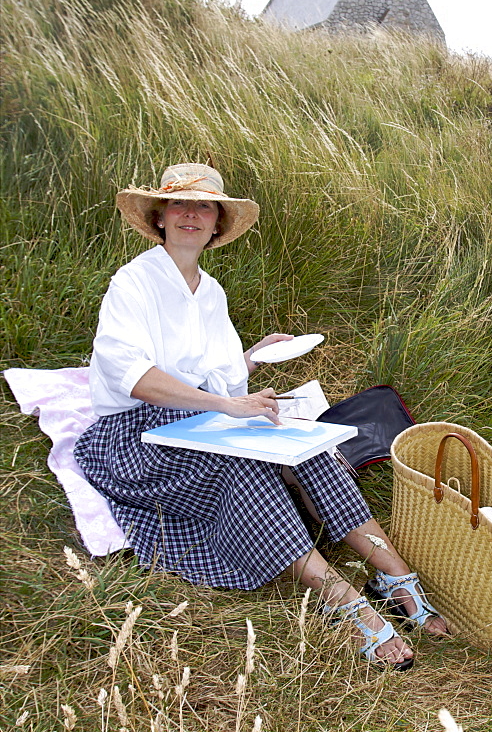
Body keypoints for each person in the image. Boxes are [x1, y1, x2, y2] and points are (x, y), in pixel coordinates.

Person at [74, 163, 449, 669]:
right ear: (160, 216)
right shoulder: (133, 282)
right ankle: (341, 598)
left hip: (193, 420)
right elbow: (136, 377)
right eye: (180, 204)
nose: (192, 214)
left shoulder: (210, 292)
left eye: (204, 206)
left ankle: (393, 574)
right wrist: (224, 406)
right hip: (133, 437)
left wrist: (251, 360)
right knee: (244, 463)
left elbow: (220, 375)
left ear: (216, 224)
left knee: (305, 443)